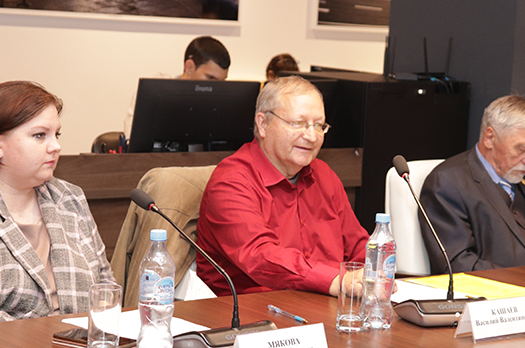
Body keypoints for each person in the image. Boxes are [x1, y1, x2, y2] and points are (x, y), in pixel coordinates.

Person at [0, 81, 114, 328]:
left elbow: (105, 289)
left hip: (83, 347)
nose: (56, 146)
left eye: (56, 134)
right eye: (40, 135)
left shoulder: (69, 198)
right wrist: (52, 345)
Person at [195, 75, 368, 296]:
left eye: (318, 125)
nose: (312, 136)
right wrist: (335, 280)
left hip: (328, 301)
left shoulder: (324, 174)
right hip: (253, 308)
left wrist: (374, 274)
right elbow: (261, 257)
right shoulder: (231, 181)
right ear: (263, 124)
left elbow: (357, 245)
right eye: (298, 123)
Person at [419, 95, 525, 273]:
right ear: (490, 138)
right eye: (522, 149)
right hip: (506, 288)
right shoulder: (447, 183)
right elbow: (458, 264)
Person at [124, 36, 231, 137]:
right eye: (211, 79)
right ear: (189, 67)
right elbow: (132, 138)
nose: (218, 88)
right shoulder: (155, 92)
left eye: (222, 82)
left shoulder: (221, 106)